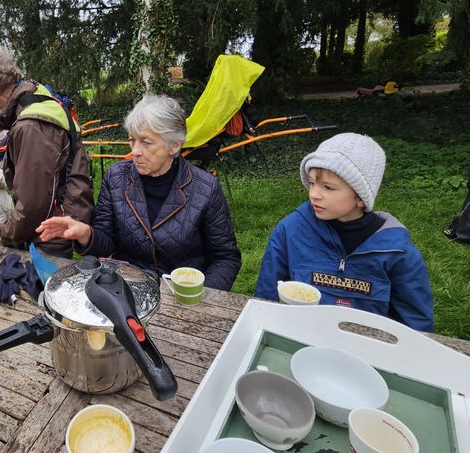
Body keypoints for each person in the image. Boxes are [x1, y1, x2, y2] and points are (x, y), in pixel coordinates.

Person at [37, 94, 242, 288]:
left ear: (174, 146)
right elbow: (106, 243)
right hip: (129, 290)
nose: (134, 151)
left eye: (146, 142)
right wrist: (86, 234)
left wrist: (199, 296)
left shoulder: (205, 188)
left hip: (181, 297)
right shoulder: (116, 178)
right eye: (132, 140)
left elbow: (226, 258)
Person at [254, 133, 434, 331]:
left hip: (366, 349)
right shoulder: (290, 231)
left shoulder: (397, 251)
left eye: (328, 187)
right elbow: (266, 297)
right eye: (312, 183)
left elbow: (416, 324)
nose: (314, 194)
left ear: (360, 197)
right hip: (301, 336)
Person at [0, 44, 94, 256]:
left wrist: (2, 237)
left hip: (50, 230)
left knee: (41, 284)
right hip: (59, 216)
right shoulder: (35, 94)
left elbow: (33, 204)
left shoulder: (31, 127)